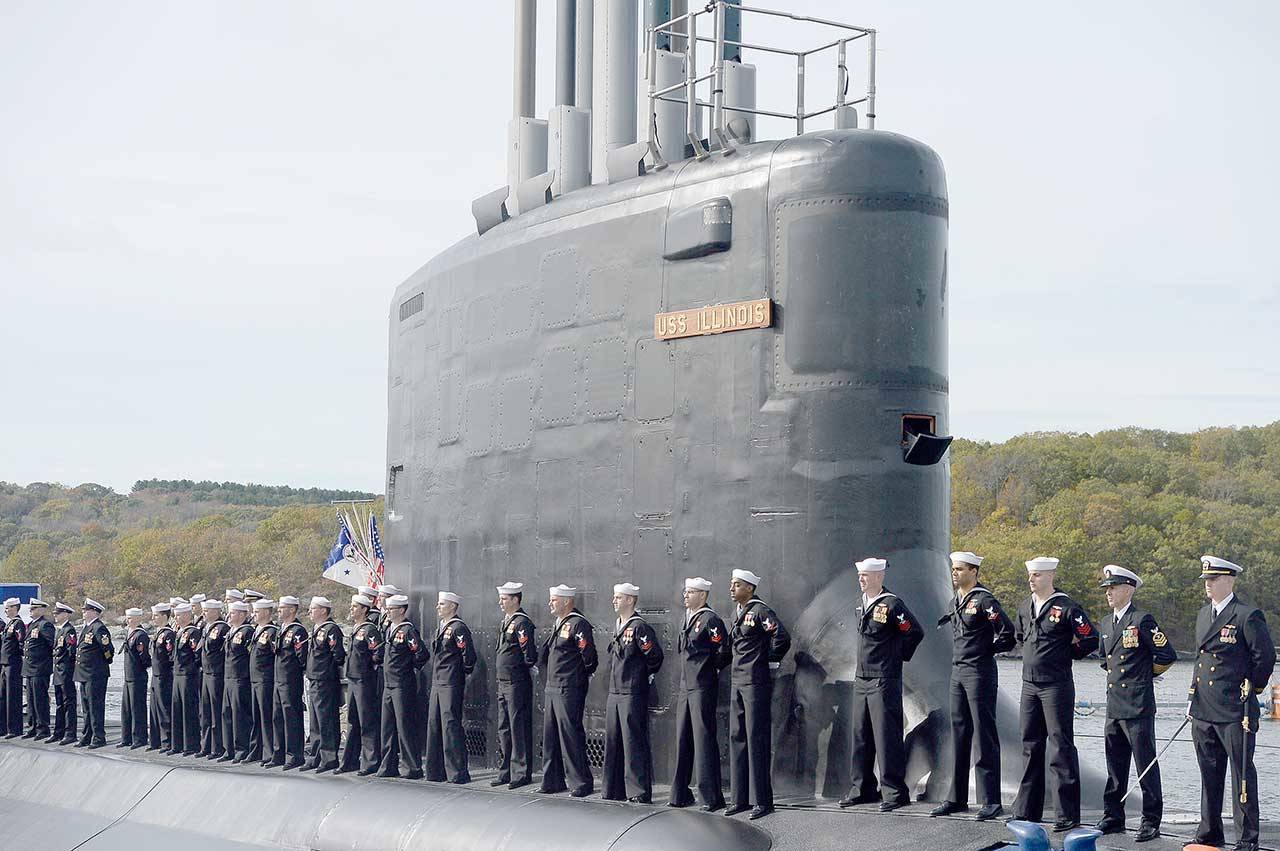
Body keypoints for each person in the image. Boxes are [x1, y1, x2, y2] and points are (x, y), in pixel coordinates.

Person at [1186, 556, 1275, 851]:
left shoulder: (1246, 616)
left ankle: (1247, 838)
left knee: (1242, 776)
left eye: (1213, 580)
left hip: (1235, 709)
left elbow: (1264, 659)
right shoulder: (1201, 614)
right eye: (1206, 581)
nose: (1208, 585)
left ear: (1228, 580)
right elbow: (1202, 660)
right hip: (1204, 708)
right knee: (1209, 773)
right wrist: (1192, 697)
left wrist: (1252, 689)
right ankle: (1210, 831)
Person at [1010, 556, 1099, 832]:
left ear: (1050, 576)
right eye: (1030, 575)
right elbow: (1020, 637)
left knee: (1060, 746)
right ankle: (1027, 809)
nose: (1031, 580)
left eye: (1036, 575)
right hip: (1029, 684)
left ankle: (1067, 813)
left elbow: (1090, 638)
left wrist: (1066, 654)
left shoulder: (1067, 607)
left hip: (1055, 685)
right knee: (1030, 744)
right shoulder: (1026, 607)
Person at [1093, 564, 1177, 843]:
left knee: (1145, 766)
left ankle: (1150, 820)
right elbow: (1105, 660)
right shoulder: (1106, 623)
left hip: (1138, 705)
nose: (1109, 593)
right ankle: (1113, 816)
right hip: (1114, 705)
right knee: (1115, 766)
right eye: (1107, 588)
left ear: (1128, 589)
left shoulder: (1142, 620)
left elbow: (1166, 654)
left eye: (1114, 588)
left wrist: (1144, 674)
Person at [931, 551, 1016, 821]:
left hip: (979, 672)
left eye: (960, 569)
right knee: (959, 733)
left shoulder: (984, 600)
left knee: (984, 735)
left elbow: (1008, 633)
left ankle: (991, 800)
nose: (954, 573)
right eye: (953, 569)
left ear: (973, 571)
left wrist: (986, 651)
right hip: (957, 672)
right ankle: (956, 797)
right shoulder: (955, 601)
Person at [838, 557, 925, 812]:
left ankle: (894, 792)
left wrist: (895, 658)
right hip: (862, 677)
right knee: (861, 735)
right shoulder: (862, 605)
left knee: (886, 736)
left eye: (865, 576)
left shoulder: (891, 605)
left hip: (883, 678)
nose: (861, 579)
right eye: (860, 576)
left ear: (878, 577)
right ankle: (862, 788)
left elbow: (914, 632)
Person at [726, 568, 791, 820]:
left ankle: (762, 800)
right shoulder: (738, 612)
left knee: (756, 739)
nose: (732, 589)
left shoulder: (760, 611)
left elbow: (781, 637)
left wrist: (770, 661)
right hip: (738, 682)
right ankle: (739, 798)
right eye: (732, 585)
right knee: (738, 738)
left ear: (750, 588)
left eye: (737, 585)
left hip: (755, 682)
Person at [668, 576, 731, 812]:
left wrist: (710, 669)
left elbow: (723, 650)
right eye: (685, 592)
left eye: (691, 592)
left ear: (702, 595)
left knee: (703, 740)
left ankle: (710, 797)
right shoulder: (687, 618)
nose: (685, 595)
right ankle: (680, 793)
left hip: (702, 686)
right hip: (686, 687)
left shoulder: (709, 619)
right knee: (683, 738)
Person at [602, 582, 664, 803]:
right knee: (613, 741)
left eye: (618, 597)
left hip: (631, 693)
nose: (614, 601)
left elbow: (654, 656)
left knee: (632, 743)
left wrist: (640, 676)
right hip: (615, 692)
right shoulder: (618, 625)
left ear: (629, 600)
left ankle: (638, 792)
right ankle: (613, 790)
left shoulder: (639, 627)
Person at [537, 584, 598, 797]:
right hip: (553, 687)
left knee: (570, 735)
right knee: (551, 736)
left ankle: (580, 783)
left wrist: (579, 678)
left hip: (568, 688)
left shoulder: (578, 624)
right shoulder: (559, 623)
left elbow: (589, 657)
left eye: (554, 600)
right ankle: (552, 780)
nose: (550, 603)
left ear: (566, 601)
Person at [427, 590, 476, 784]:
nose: (438, 607)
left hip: (450, 683)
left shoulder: (458, 628)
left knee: (450, 726)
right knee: (434, 725)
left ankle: (457, 772)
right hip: (438, 682)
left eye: (442, 604)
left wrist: (457, 674)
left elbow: (469, 657)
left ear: (453, 607)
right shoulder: (442, 627)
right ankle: (436, 771)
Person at [377, 593, 428, 779]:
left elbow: (421, 654)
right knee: (387, 727)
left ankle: (412, 767)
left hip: (401, 684)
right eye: (388, 609)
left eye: (391, 609)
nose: (388, 612)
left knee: (404, 726)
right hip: (389, 685)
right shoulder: (390, 628)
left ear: (401, 610)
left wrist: (407, 668)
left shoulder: (408, 631)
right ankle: (388, 766)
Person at [493, 581, 537, 789]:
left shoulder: (522, 623)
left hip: (516, 682)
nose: (500, 602)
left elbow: (528, 653)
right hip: (503, 682)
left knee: (517, 727)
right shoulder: (507, 621)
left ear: (515, 599)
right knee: (504, 728)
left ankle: (520, 773)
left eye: (504, 599)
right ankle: (506, 771)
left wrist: (523, 669)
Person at [339, 593, 383, 776]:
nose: (351, 609)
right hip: (353, 679)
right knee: (353, 721)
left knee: (367, 721)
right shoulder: (356, 629)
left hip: (364, 680)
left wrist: (368, 667)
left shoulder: (369, 630)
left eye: (355, 606)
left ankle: (370, 761)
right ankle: (350, 760)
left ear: (364, 609)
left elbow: (378, 653)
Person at [302, 596, 345, 773]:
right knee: (315, 721)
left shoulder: (331, 629)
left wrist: (327, 672)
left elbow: (338, 655)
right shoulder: (316, 628)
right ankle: (316, 755)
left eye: (313, 609)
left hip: (325, 680)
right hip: (314, 679)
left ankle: (329, 757)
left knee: (326, 720)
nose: (310, 612)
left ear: (323, 611)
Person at [273, 595, 308, 770]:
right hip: (278, 679)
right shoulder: (282, 628)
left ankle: (295, 755)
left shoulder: (298, 630)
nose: (279, 610)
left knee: (291, 717)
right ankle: (279, 753)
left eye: (282, 607)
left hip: (290, 679)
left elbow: (302, 658)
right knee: (278, 717)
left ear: (292, 610)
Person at [74, 598, 113, 749]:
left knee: (95, 706)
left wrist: (101, 664)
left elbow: (108, 650)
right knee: (86, 707)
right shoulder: (87, 628)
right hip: (84, 673)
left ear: (94, 612)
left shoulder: (98, 628)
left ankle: (98, 737)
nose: (83, 612)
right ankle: (87, 735)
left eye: (86, 610)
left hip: (95, 674)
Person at [220, 600, 255, 762]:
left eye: (233, 613)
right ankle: (229, 748)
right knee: (227, 714)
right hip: (228, 678)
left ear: (242, 614)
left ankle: (242, 748)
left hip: (240, 678)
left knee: (240, 715)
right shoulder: (232, 631)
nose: (229, 616)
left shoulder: (247, 631)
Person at [198, 599, 229, 758]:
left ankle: (217, 747)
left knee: (216, 712)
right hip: (206, 673)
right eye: (203, 610)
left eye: (207, 611)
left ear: (216, 612)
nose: (203, 613)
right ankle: (206, 745)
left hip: (217, 673)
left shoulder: (222, 628)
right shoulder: (205, 627)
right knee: (206, 712)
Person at [248, 598, 278, 766]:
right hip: (255, 679)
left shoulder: (271, 632)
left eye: (257, 612)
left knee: (266, 717)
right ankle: (256, 749)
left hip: (265, 679)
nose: (253, 615)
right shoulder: (257, 631)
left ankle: (269, 752)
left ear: (266, 612)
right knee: (256, 717)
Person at [170, 602, 202, 755]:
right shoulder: (179, 632)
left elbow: (197, 655)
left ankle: (191, 744)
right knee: (177, 710)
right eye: (175, 615)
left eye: (179, 615)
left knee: (188, 711)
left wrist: (191, 670)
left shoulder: (193, 632)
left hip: (188, 676)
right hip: (177, 674)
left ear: (188, 615)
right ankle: (178, 744)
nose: (176, 618)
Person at [21, 599, 55, 739]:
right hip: (30, 668)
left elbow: (51, 645)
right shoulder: (32, 625)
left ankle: (43, 728)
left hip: (40, 668)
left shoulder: (45, 625)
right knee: (31, 699)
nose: (31, 611)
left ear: (41, 610)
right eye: (30, 609)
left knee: (40, 699)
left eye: (33, 609)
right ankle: (33, 726)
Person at [118, 607, 151, 749]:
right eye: (127, 617)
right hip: (128, 677)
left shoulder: (140, 635)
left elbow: (144, 658)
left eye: (130, 618)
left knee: (137, 708)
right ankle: (127, 737)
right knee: (126, 709)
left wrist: (140, 670)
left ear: (137, 619)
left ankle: (139, 738)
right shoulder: (130, 633)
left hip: (137, 677)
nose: (127, 620)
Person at [147, 602, 175, 751]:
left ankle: (167, 741)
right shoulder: (158, 632)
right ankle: (155, 740)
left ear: (164, 616)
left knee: (164, 709)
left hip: (164, 676)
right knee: (154, 709)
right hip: (156, 675)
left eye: (156, 615)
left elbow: (171, 657)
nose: (153, 618)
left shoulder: (168, 634)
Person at [48, 602, 77, 744]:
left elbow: (71, 652)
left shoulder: (69, 630)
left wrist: (68, 669)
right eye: (54, 613)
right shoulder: (59, 630)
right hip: (58, 671)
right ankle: (58, 731)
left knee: (68, 703)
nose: (55, 615)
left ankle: (70, 733)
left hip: (65, 671)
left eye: (57, 613)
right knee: (59, 703)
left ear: (65, 614)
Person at [1, 597, 27, 738]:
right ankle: (3, 727)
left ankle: (15, 728)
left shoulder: (18, 624)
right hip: (5, 664)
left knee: (13, 697)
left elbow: (21, 642)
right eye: (5, 608)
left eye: (8, 608)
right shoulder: (8, 624)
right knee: (3, 696)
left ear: (15, 608)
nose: (6, 611)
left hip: (13, 664)